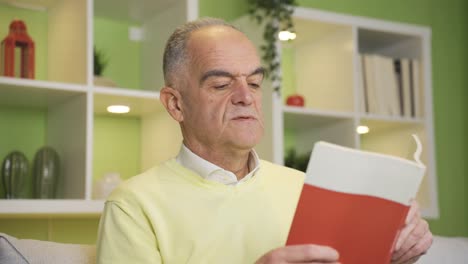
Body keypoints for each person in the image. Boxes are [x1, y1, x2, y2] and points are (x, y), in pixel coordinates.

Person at [96, 18, 432, 264]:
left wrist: (391, 255)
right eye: (221, 84)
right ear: (175, 104)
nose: (246, 97)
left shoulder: (307, 188)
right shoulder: (132, 206)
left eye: (255, 83)